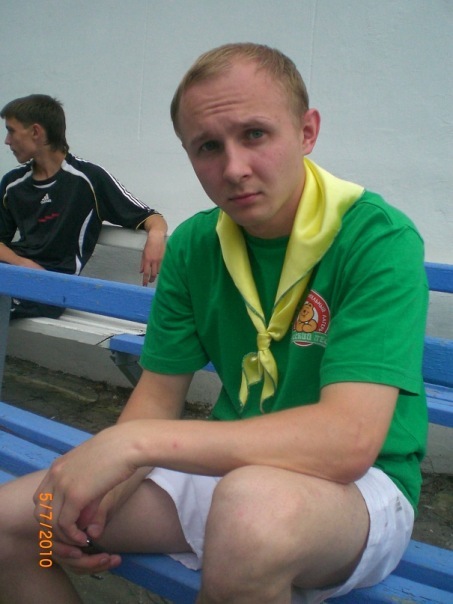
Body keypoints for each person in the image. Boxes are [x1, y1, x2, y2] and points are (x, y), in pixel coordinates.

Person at [0, 43, 428, 604]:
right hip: (228, 470)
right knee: (23, 526)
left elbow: (347, 443)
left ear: (306, 132)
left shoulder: (376, 238)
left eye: (255, 134)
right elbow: (157, 399)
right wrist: (99, 500)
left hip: (357, 491)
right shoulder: (196, 244)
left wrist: (131, 445)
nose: (234, 168)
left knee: (250, 517)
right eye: (207, 146)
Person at [0, 94, 167, 319]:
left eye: (11, 131)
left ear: (36, 132)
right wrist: (21, 264)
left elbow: (150, 217)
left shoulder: (88, 180)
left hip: (51, 289)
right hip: (12, 273)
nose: (7, 141)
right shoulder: (13, 183)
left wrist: (156, 236)